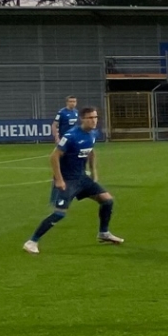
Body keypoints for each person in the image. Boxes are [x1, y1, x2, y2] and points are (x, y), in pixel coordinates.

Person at [24, 106, 122, 252]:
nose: (94, 121)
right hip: (68, 180)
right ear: (82, 119)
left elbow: (91, 152)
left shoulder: (93, 134)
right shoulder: (71, 135)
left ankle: (103, 233)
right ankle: (32, 242)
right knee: (59, 213)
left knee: (107, 200)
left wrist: (94, 171)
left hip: (82, 178)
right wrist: (59, 179)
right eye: (90, 118)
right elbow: (54, 156)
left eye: (95, 117)